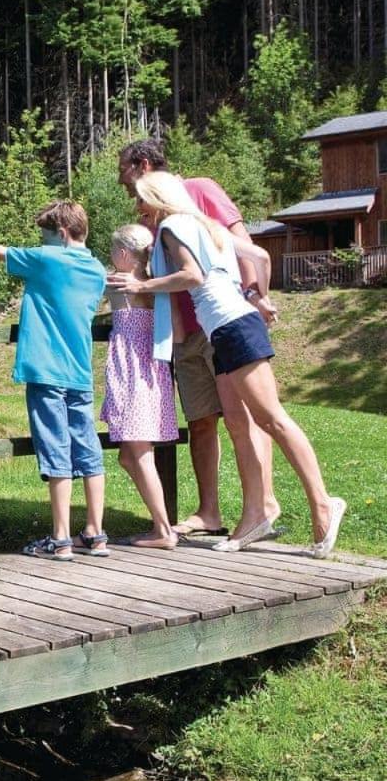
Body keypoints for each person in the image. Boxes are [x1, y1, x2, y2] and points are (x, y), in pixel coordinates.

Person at [110, 171, 345, 558]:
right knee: (240, 423)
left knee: (272, 419)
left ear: (156, 198)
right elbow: (261, 256)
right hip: (228, 326)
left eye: (141, 200)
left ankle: (323, 503)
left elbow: (191, 275)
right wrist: (257, 296)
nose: (138, 208)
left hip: (232, 326)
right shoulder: (206, 223)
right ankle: (255, 515)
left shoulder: (171, 225)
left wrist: (140, 286)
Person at [117, 140, 281, 548]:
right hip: (186, 333)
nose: (124, 186)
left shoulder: (200, 190)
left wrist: (255, 295)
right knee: (202, 421)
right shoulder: (155, 214)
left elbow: (245, 245)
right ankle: (210, 512)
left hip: (221, 324)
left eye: (124, 173)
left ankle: (263, 506)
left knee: (243, 418)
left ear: (141, 164)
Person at [0, 201, 108, 561]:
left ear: (61, 235)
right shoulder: (96, 269)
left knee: (56, 450)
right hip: (80, 374)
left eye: (44, 237)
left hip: (47, 372)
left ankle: (61, 539)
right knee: (88, 449)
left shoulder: (47, 260)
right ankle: (96, 534)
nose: (39, 244)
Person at [101, 225, 179, 548]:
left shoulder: (118, 280)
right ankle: (161, 527)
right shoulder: (152, 283)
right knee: (127, 457)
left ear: (122, 255)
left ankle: (163, 531)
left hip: (132, 369)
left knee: (141, 452)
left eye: (111, 251)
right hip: (150, 367)